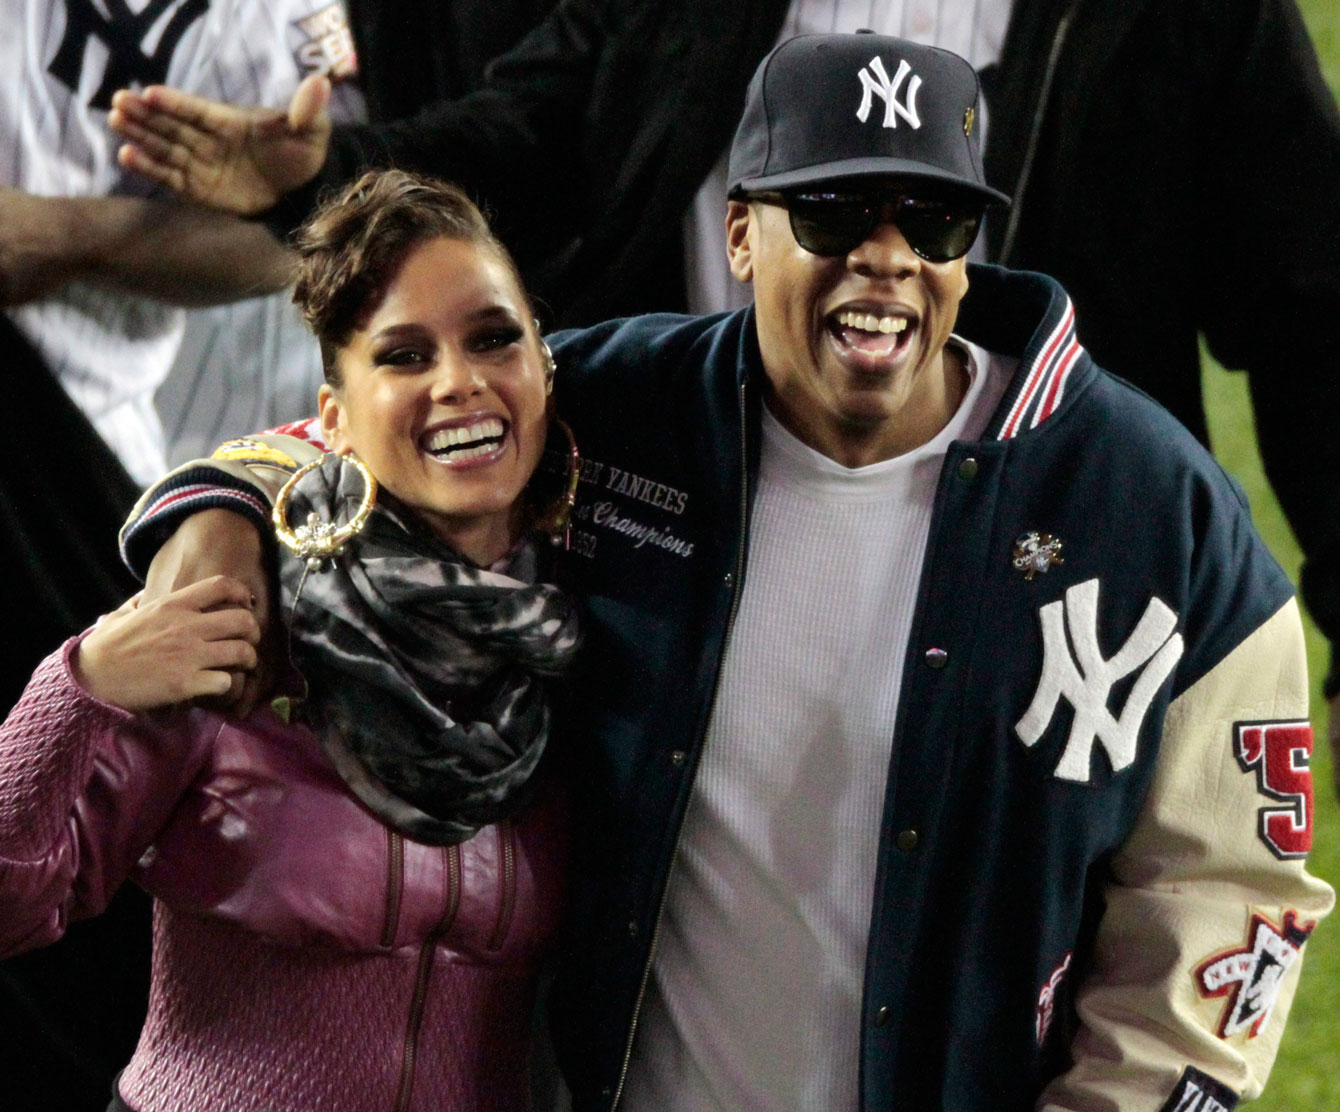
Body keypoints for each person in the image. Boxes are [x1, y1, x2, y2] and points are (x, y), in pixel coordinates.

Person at [118, 34, 1332, 1111]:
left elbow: (1228, 894)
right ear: (739, 232)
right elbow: (351, 438)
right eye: (834, 213)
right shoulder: (609, 414)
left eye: (932, 220)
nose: (886, 258)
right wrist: (221, 514)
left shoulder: (1151, 514)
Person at [106, 0, 1340, 805]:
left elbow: (1310, 308)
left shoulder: (1189, 23)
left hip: (1031, 603)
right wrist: (327, 178)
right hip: (663, 557)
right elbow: (529, 138)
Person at [0, 169, 581, 1112]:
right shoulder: (239, 603)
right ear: (334, 421)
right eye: (403, 355)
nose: (460, 382)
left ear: (546, 363)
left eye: (492, 337)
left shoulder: (593, 621)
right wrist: (83, 682)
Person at [0, 2, 363, 1107]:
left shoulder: (290, 17)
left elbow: (306, 226)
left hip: (67, 439)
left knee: (68, 912)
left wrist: (66, 237)